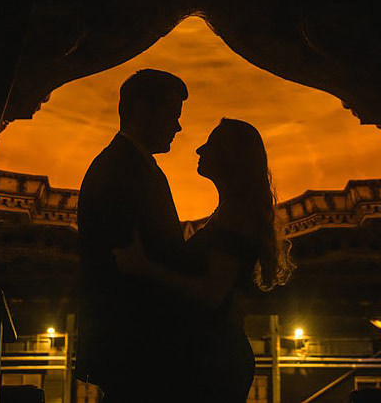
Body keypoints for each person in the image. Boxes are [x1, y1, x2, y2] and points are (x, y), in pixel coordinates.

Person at [113, 118, 295, 403]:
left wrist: (143, 266)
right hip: (215, 354)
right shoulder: (234, 213)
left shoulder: (235, 217)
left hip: (214, 359)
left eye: (210, 145)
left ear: (229, 156)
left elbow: (212, 293)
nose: (199, 149)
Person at [75, 69, 192, 403]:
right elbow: (125, 267)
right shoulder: (120, 171)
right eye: (172, 115)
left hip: (134, 349)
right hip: (138, 347)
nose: (178, 127)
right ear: (142, 110)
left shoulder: (127, 166)